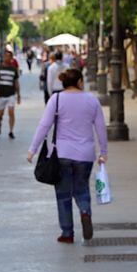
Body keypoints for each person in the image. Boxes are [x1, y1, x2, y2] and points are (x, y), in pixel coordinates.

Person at [27, 68, 107, 243]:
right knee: (82, 189)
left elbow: (44, 126)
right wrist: (104, 152)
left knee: (63, 194)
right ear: (79, 82)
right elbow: (101, 127)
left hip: (61, 154)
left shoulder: (56, 99)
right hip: (85, 155)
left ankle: (67, 233)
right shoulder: (92, 100)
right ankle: (85, 212)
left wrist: (32, 149)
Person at [0, 50, 21, 140]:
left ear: (12, 58)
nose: (7, 58)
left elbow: (16, 82)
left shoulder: (13, 69)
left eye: (9, 56)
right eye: (6, 56)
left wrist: (19, 94)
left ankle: (11, 131)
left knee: (11, 112)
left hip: (11, 94)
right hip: (1, 94)